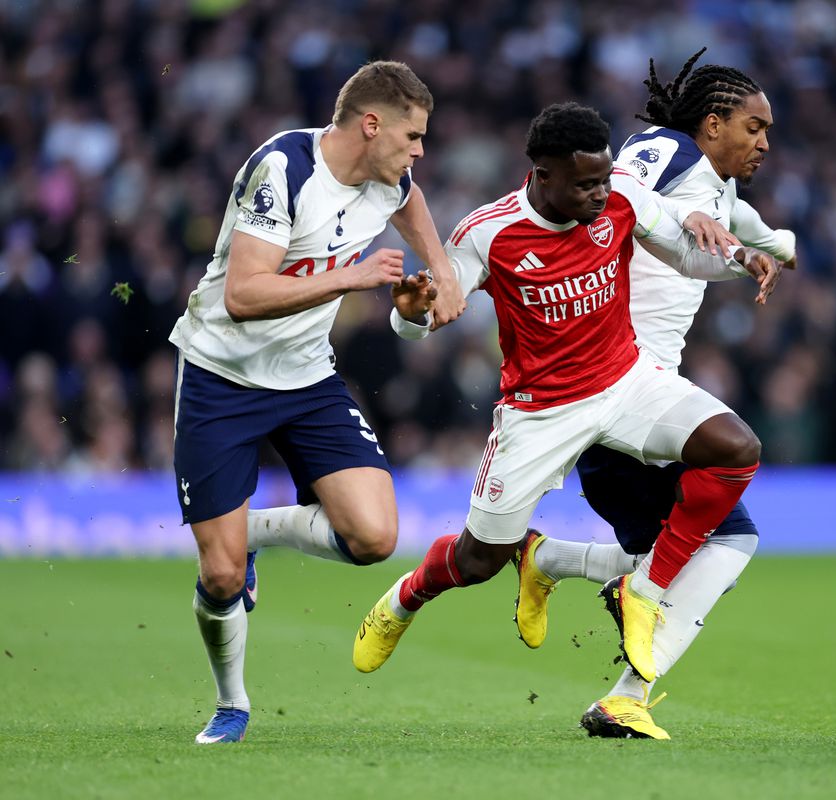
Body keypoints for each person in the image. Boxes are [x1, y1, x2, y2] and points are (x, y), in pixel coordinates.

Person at [352, 102, 782, 706]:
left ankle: (644, 590)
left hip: (627, 382)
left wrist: (741, 259)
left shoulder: (620, 196)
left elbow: (683, 252)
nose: (600, 194)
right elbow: (428, 315)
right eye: (585, 184)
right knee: (478, 561)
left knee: (736, 448)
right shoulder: (488, 233)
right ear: (542, 174)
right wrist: (409, 315)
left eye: (604, 178)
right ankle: (407, 597)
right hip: (541, 411)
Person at [170, 61, 461, 744]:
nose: (420, 151)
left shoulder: (387, 177)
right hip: (221, 376)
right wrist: (350, 277)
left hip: (305, 378)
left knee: (374, 538)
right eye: (413, 136)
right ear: (371, 125)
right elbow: (243, 295)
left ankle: (253, 535)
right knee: (219, 575)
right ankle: (232, 703)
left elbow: (410, 199)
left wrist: (441, 270)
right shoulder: (284, 169)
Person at [511, 50, 796, 740]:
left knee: (690, 553)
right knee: (727, 543)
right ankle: (625, 695)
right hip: (618, 390)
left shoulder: (720, 193)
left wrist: (775, 247)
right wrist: (692, 218)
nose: (765, 142)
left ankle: (548, 560)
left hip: (640, 395)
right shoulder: (669, 151)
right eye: (754, 127)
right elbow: (616, 188)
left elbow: (755, 228)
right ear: (712, 123)